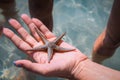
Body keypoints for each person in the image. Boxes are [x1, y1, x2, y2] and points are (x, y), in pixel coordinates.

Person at [3, 14, 120, 80]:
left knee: (111, 40)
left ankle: (95, 63)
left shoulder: (51, 46)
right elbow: (49, 43)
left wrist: (78, 66)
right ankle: (95, 64)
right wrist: (78, 66)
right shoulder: (49, 45)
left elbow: (53, 45)